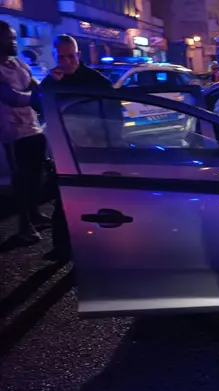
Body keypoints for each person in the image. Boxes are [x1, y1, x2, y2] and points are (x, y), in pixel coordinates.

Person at [39, 34, 117, 261]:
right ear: (54, 56)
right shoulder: (53, 80)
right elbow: (38, 104)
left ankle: (97, 249)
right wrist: (51, 84)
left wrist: (109, 148)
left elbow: (114, 118)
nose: (67, 62)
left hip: (95, 150)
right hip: (64, 150)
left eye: (70, 56)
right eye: (61, 57)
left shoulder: (97, 81)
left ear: (78, 55)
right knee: (63, 200)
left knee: (97, 201)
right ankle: (62, 249)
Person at [0, 20, 50, 245]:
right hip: (12, 133)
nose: (14, 41)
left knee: (35, 177)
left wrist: (40, 91)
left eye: (13, 37)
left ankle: (36, 215)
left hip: (32, 128)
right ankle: (24, 226)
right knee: (21, 181)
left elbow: (34, 84)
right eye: (9, 38)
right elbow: (12, 97)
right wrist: (36, 98)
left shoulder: (18, 63)